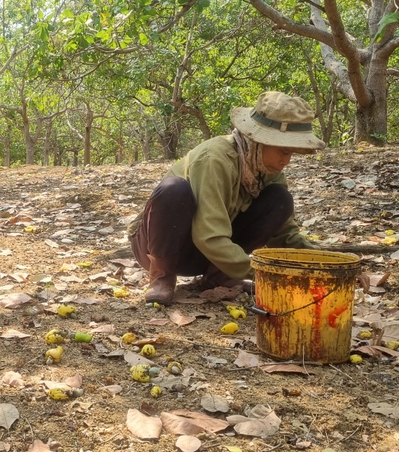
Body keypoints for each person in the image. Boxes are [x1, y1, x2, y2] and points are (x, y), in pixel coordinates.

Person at [128, 91, 326, 305]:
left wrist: (325, 265)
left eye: (291, 154)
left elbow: (286, 234)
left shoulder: (268, 170)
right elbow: (209, 235)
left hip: (205, 256)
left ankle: (219, 276)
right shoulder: (215, 159)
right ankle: (161, 277)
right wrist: (262, 273)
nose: (285, 161)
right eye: (282, 151)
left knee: (280, 199)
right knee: (174, 189)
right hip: (159, 246)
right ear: (257, 141)